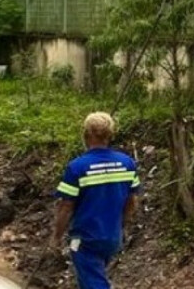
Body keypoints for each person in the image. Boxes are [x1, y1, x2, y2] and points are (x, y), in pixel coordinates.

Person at [52, 112, 140, 289]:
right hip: (112, 238)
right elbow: (132, 202)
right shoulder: (127, 164)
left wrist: (56, 236)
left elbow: (65, 206)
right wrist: (120, 225)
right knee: (91, 279)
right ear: (110, 135)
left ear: (86, 134)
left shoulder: (77, 167)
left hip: (86, 239)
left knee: (94, 283)